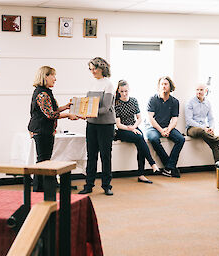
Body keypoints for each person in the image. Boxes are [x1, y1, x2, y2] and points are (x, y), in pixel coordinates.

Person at [28, 66, 78, 192]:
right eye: (53, 76)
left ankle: (41, 186)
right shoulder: (42, 94)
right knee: (43, 160)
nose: (55, 79)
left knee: (44, 159)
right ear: (45, 76)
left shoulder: (44, 91)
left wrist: (65, 107)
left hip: (44, 130)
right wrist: (67, 115)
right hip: (41, 131)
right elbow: (50, 115)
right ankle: (39, 188)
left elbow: (51, 110)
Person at [78, 57, 115, 196]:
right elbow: (87, 104)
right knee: (91, 155)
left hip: (105, 125)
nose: (92, 71)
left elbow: (105, 108)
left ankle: (106, 185)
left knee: (105, 156)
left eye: (94, 68)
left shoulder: (108, 84)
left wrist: (87, 114)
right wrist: (82, 112)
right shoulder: (92, 84)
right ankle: (89, 185)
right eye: (90, 69)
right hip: (91, 125)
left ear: (102, 68)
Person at [114, 80, 159, 184]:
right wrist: (131, 129)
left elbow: (139, 118)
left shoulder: (134, 100)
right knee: (140, 138)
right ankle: (152, 164)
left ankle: (141, 174)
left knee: (140, 141)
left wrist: (134, 127)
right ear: (118, 91)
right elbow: (118, 124)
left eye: (126, 91)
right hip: (122, 130)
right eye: (122, 91)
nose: (124, 94)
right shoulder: (116, 103)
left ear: (129, 90)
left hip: (133, 127)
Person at [185, 83, 219, 177]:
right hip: (192, 129)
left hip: (205, 129)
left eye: (201, 90)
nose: (199, 92)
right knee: (202, 132)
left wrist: (211, 128)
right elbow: (189, 120)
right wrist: (204, 128)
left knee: (214, 144)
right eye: (197, 89)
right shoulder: (190, 102)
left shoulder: (208, 103)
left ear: (206, 91)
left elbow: (211, 119)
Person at [146, 76, 185, 178]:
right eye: (162, 84)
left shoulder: (174, 101)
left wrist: (168, 129)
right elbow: (151, 118)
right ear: (159, 86)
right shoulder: (153, 99)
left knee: (181, 139)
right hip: (153, 127)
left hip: (167, 127)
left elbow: (175, 119)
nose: (163, 86)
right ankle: (170, 166)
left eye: (166, 84)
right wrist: (161, 130)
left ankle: (168, 167)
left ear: (170, 86)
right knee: (154, 139)